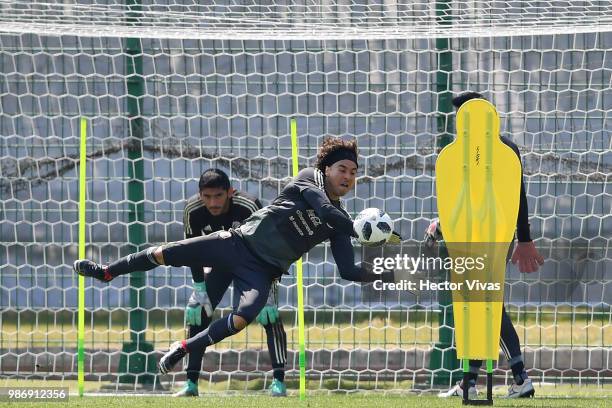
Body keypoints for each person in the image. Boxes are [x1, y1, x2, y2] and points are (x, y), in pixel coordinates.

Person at [73, 137, 394, 385]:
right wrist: (354, 227)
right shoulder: (309, 180)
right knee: (163, 253)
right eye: (343, 169)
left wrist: (383, 272)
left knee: (242, 319)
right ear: (326, 168)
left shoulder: (341, 222)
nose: (349, 177)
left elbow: (348, 270)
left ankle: (183, 348)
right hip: (237, 244)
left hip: (263, 272)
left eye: (354, 173)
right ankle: (106, 272)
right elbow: (323, 210)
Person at [429, 92, 544, 399]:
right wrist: (443, 224)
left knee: (485, 304)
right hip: (469, 237)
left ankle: (518, 377)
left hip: (493, 237)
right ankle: (474, 382)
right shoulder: (458, 152)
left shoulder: (504, 149)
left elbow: (515, 196)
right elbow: (460, 196)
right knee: (480, 304)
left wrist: (525, 239)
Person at [177, 168, 287, 397]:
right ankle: (191, 383)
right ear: (199, 195)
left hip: (254, 267)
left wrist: (269, 295)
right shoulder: (193, 211)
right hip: (221, 266)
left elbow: (270, 250)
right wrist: (199, 290)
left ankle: (279, 381)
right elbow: (191, 252)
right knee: (199, 312)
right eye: (206, 197)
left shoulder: (249, 206)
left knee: (270, 316)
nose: (213, 202)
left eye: (218, 195)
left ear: (230, 192)